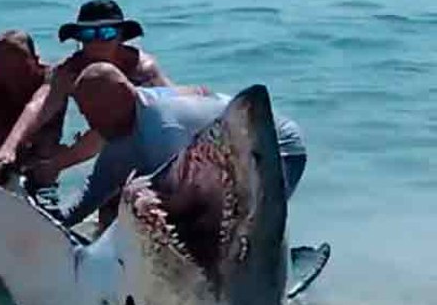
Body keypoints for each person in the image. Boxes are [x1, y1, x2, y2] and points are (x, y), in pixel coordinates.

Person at [48, 63, 306, 231]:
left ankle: (262, 276)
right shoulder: (121, 135)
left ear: (122, 96)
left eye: (94, 112)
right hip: (225, 163)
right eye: (85, 114)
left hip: (275, 148)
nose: (90, 122)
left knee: (242, 225)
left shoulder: (161, 126)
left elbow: (183, 200)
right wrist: (54, 225)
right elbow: (93, 194)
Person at [0, 0, 172, 178]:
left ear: (120, 36)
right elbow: (40, 105)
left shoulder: (142, 70)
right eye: (88, 34)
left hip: (162, 144)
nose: (97, 42)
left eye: (106, 33)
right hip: (118, 146)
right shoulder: (69, 71)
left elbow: (111, 130)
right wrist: (9, 148)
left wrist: (58, 164)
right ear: (79, 39)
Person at [0, 30, 63, 205]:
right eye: (5, 68)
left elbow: (37, 104)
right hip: (0, 145)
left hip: (42, 148)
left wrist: (11, 147)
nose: (14, 76)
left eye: (21, 67)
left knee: (46, 140)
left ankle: (44, 192)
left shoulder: (53, 79)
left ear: (36, 60)